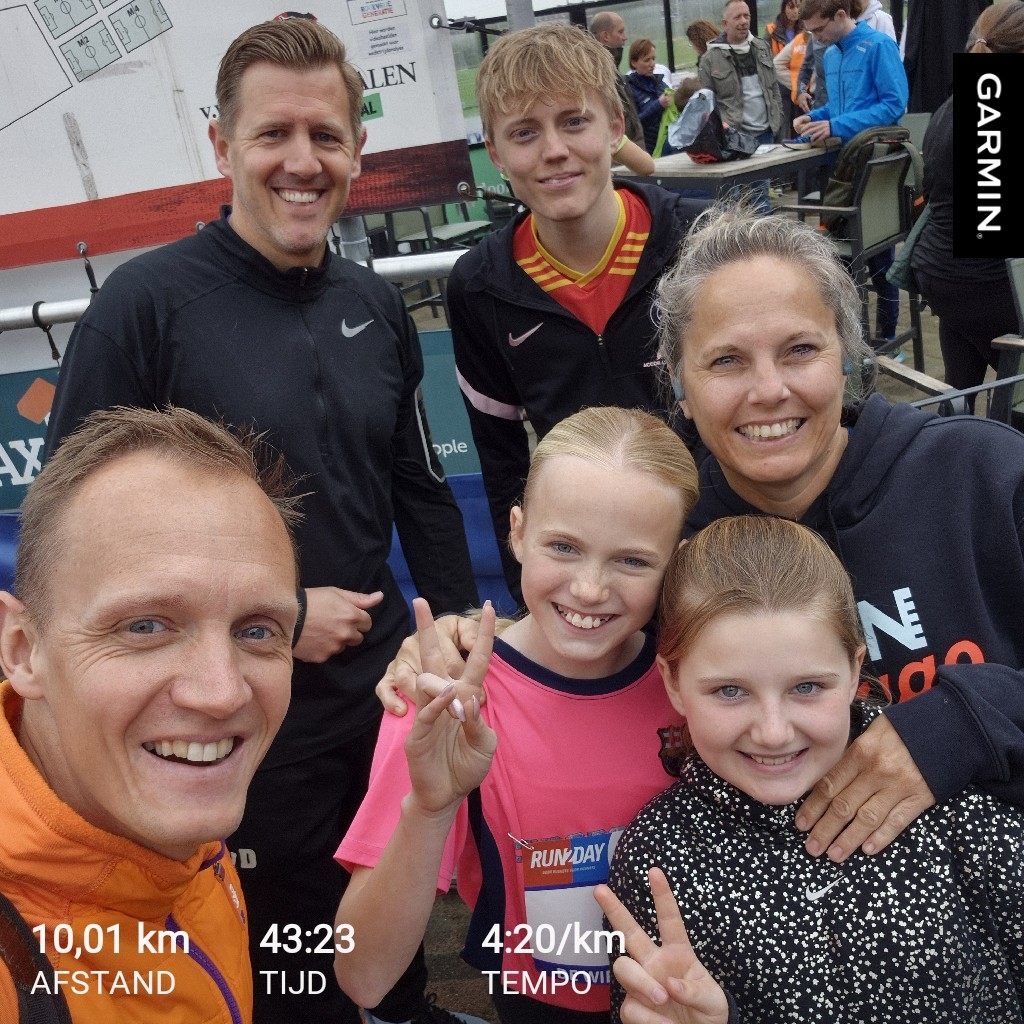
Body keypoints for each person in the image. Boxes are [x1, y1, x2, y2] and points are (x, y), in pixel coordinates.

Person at [42, 17, 480, 1024]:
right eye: (273, 134)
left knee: (392, 909)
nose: (301, 161)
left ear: (357, 149)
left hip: (381, 690)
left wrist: (454, 619)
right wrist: (272, 614)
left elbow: (418, 481)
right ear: (223, 146)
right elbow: (78, 530)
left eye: (325, 136)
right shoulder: (145, 307)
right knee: (289, 954)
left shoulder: (374, 303)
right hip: (230, 704)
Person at [396, 203, 1024, 884]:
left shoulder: (983, 475)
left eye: (800, 350)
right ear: (678, 385)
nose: (769, 390)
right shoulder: (666, 546)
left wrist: (961, 720)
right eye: (727, 360)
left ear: (847, 356)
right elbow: (575, 636)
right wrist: (462, 642)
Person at [335, 407, 700, 1024]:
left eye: (633, 561)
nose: (589, 588)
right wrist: (430, 810)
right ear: (517, 532)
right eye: (564, 547)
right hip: (541, 1007)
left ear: (676, 562)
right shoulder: (446, 697)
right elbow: (363, 975)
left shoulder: (702, 685)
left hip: (696, 999)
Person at [596, 515, 1024, 1022]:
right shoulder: (656, 857)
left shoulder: (952, 796)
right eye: (730, 691)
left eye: (807, 687)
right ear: (673, 681)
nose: (773, 732)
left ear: (854, 669)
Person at [0, 405, 301, 1023]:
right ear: (23, 650)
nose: (222, 694)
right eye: (144, 627)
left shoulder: (153, 798)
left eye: (256, 630)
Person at [445, 23, 707, 603]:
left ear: (614, 127)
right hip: (588, 584)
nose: (554, 150)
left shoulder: (699, 243)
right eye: (524, 132)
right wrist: (527, 602)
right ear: (495, 153)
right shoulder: (480, 287)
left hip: (711, 560)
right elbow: (502, 462)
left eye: (573, 121)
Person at [911, 2, 1024, 402]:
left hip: (940, 273)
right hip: (981, 281)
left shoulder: (953, 104)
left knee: (961, 385)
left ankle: (959, 428)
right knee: (1014, 391)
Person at [793, 0, 908, 350]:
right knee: (839, 256)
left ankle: (888, 338)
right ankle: (849, 341)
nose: (816, 37)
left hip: (875, 163)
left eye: (819, 29)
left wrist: (836, 125)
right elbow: (840, 107)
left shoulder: (879, 46)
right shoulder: (831, 55)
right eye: (810, 32)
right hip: (844, 166)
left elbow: (894, 104)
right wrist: (814, 118)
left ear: (841, 15)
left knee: (878, 253)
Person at [699, 0, 783, 214]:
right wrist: (721, 129)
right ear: (725, 23)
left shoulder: (762, 47)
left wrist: (777, 116)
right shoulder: (710, 58)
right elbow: (705, 102)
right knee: (731, 196)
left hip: (764, 133)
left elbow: (773, 87)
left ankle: (762, 233)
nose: (744, 21)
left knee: (761, 194)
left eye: (747, 16)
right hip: (732, 137)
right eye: (738, 17)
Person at [590, 11, 645, 148]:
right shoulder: (597, 75)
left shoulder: (612, 69)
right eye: (620, 32)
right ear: (605, 36)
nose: (625, 37)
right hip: (623, 155)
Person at [625, 38, 675, 156]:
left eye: (653, 59)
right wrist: (659, 105)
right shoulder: (629, 89)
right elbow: (634, 125)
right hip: (647, 150)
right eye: (647, 60)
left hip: (666, 145)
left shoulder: (660, 83)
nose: (652, 64)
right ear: (634, 63)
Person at [765, 0, 805, 138]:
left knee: (800, 126)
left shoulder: (805, 31)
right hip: (781, 84)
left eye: (798, 7)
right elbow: (766, 57)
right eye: (791, 7)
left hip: (801, 84)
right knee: (783, 126)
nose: (795, 11)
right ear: (784, 8)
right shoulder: (771, 30)